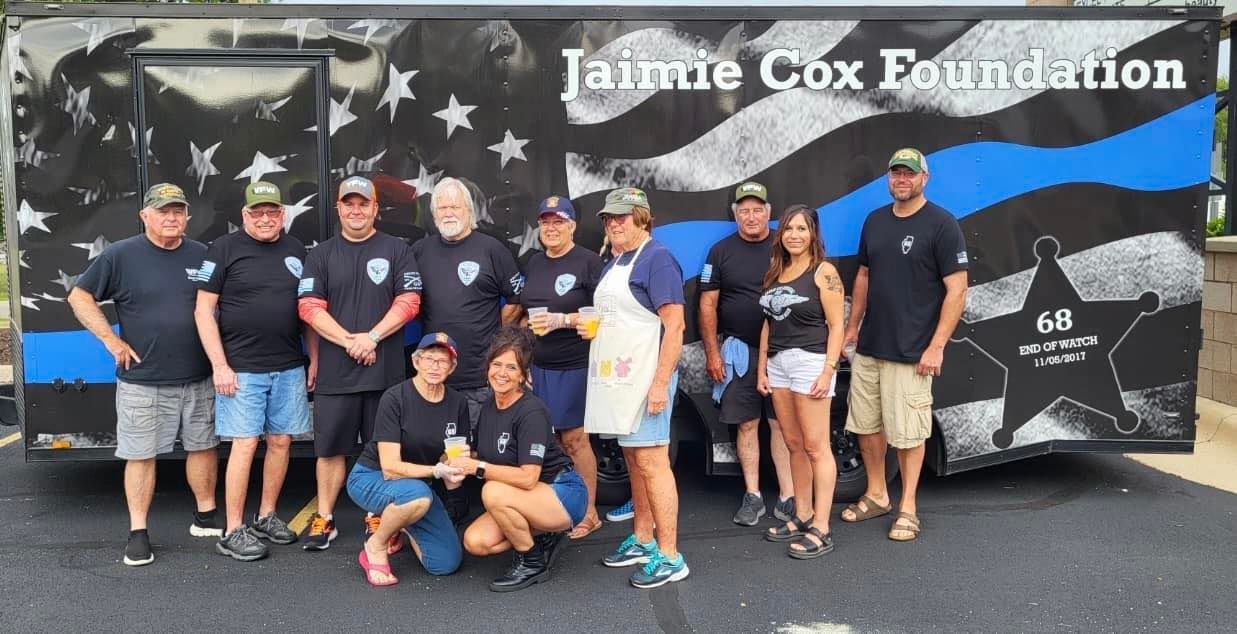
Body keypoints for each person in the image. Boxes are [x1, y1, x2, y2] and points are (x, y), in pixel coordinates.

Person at [66, 182, 220, 567]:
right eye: (163, 211)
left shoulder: (203, 256)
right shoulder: (120, 256)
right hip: (143, 380)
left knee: (203, 447)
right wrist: (111, 342)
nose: (171, 218)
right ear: (145, 215)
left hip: (199, 377)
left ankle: (205, 516)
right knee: (141, 456)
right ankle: (138, 532)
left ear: (187, 216)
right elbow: (79, 296)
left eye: (178, 211)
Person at [841, 148, 968, 541]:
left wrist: (937, 346)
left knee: (910, 434)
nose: (901, 180)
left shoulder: (942, 225)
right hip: (870, 348)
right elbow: (863, 276)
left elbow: (957, 289)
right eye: (895, 173)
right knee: (866, 427)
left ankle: (908, 506)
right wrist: (852, 327)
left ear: (924, 178)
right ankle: (877, 493)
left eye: (909, 174)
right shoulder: (875, 221)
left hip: (912, 351)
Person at [297, 176, 423, 550]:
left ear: (374, 208)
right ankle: (325, 517)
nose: (356, 210)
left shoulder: (397, 250)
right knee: (329, 450)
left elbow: (410, 301)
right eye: (348, 204)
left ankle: (377, 516)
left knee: (382, 451)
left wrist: (371, 338)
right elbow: (308, 307)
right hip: (336, 374)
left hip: (384, 371)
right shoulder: (319, 254)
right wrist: (351, 341)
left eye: (363, 204)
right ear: (338, 208)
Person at [193, 182, 315, 561]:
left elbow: (307, 311)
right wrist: (220, 365)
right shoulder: (223, 249)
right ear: (244, 215)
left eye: (272, 212)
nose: (265, 218)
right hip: (241, 371)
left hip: (289, 367)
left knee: (281, 442)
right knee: (244, 446)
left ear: (283, 214)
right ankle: (233, 529)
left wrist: (314, 358)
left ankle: (266, 516)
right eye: (257, 212)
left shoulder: (296, 250)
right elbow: (202, 312)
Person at [583, 187, 688, 589]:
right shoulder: (615, 260)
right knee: (634, 462)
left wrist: (660, 383)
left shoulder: (657, 259)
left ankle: (670, 555)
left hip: (646, 380)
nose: (614, 224)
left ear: (643, 219)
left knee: (652, 463)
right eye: (609, 218)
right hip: (621, 381)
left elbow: (675, 327)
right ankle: (644, 538)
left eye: (622, 217)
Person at [453, 327, 586, 592]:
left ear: (523, 375)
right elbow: (486, 455)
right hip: (524, 495)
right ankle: (544, 536)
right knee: (475, 542)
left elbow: (528, 477)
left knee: (492, 491)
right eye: (497, 364)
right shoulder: (490, 406)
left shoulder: (531, 411)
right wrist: (458, 460)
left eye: (511, 368)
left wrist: (477, 468)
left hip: (562, 492)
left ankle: (532, 562)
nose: (501, 373)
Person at [699, 181, 796, 526]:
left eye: (757, 210)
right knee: (747, 424)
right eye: (744, 211)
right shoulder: (720, 251)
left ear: (769, 214)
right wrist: (712, 353)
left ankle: (788, 497)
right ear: (735, 215)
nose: (751, 217)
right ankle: (753, 496)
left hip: (784, 352)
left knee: (781, 425)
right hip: (740, 351)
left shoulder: (787, 245)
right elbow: (707, 304)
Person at [756, 205, 845, 559]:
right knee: (793, 444)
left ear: (813, 235)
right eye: (789, 229)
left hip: (810, 363)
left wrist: (829, 370)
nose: (794, 235)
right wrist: (762, 367)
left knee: (815, 446)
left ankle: (822, 527)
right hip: (778, 364)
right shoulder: (776, 272)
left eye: (802, 229)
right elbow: (768, 323)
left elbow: (837, 325)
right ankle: (802, 513)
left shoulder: (824, 272)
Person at [346, 333, 470, 586]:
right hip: (372, 477)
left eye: (443, 361)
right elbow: (390, 468)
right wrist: (437, 471)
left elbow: (452, 452)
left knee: (445, 563)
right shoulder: (396, 398)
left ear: (452, 367)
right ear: (416, 362)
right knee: (417, 497)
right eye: (429, 359)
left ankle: (401, 524)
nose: (435, 366)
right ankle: (376, 546)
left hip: (418, 484)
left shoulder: (457, 402)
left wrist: (454, 468)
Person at [517, 195, 605, 539]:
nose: (551, 228)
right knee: (548, 440)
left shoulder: (588, 262)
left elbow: (603, 313)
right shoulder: (536, 263)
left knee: (575, 440)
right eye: (546, 222)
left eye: (559, 222)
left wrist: (563, 320)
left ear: (572, 226)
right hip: (540, 366)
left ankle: (589, 512)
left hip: (576, 364)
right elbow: (527, 314)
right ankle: (555, 510)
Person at [411, 177, 524, 425]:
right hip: (435, 376)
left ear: (469, 211)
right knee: (439, 452)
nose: (449, 213)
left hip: (480, 377)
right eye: (442, 208)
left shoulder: (492, 249)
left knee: (478, 452)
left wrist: (493, 332)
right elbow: (410, 301)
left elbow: (517, 300)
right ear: (434, 213)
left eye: (455, 207)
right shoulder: (419, 252)